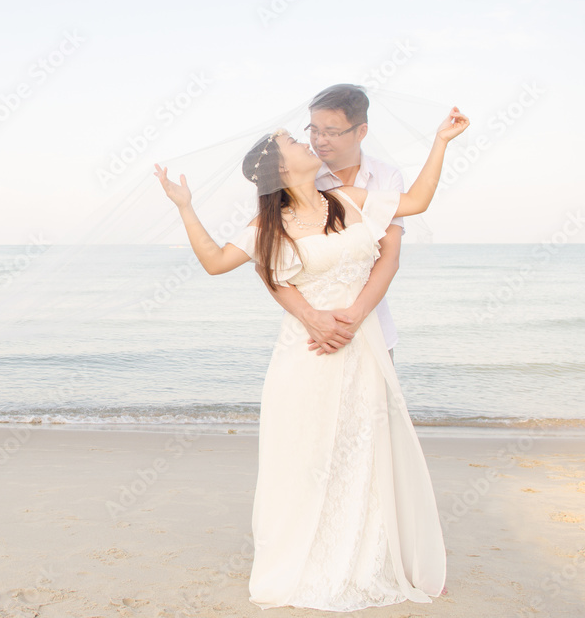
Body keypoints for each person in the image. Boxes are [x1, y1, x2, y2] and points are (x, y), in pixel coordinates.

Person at [152, 106, 469, 611]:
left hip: (360, 349)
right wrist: (185, 206)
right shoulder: (268, 223)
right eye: (294, 143)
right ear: (282, 167)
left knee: (364, 454)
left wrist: (441, 141)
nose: (307, 144)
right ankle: (305, 560)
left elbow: (417, 201)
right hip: (307, 355)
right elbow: (215, 262)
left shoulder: (345, 199)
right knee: (307, 458)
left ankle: (366, 558)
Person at [259, 84, 405, 360]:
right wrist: (310, 317)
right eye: (313, 130)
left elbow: (389, 256)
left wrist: (353, 318)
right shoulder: (300, 174)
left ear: (361, 131)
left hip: (373, 327)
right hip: (311, 334)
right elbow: (267, 263)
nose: (319, 140)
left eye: (331, 132)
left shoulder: (386, 177)